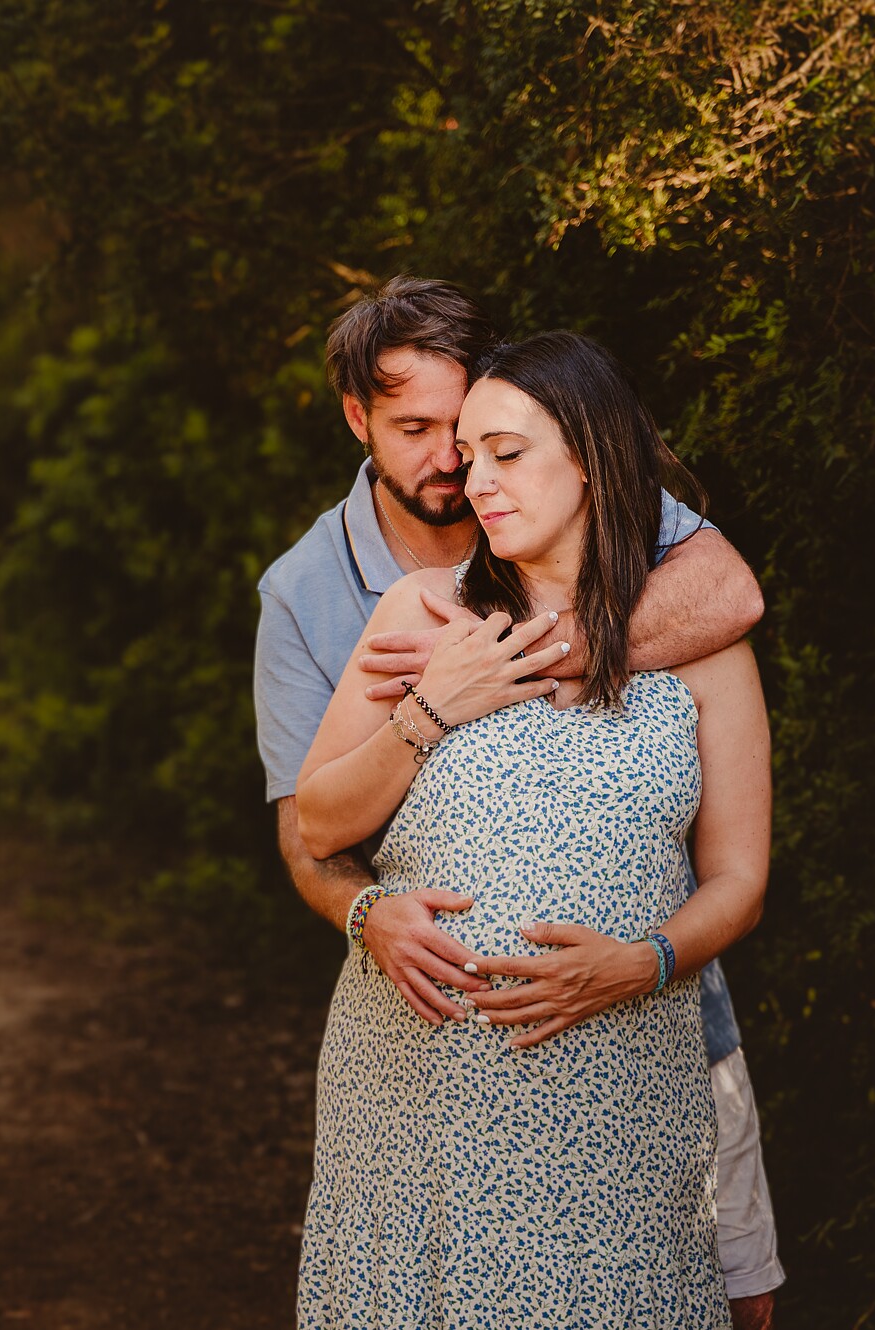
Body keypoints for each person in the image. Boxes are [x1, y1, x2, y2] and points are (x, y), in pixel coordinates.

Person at [253, 280, 784, 1326]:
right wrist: (430, 705)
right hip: (424, 1091)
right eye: (451, 441)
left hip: (635, 1074)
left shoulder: (688, 616)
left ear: (587, 456)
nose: (466, 470)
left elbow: (739, 872)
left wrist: (645, 960)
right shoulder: (389, 607)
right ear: (357, 418)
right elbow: (311, 826)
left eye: (501, 449)